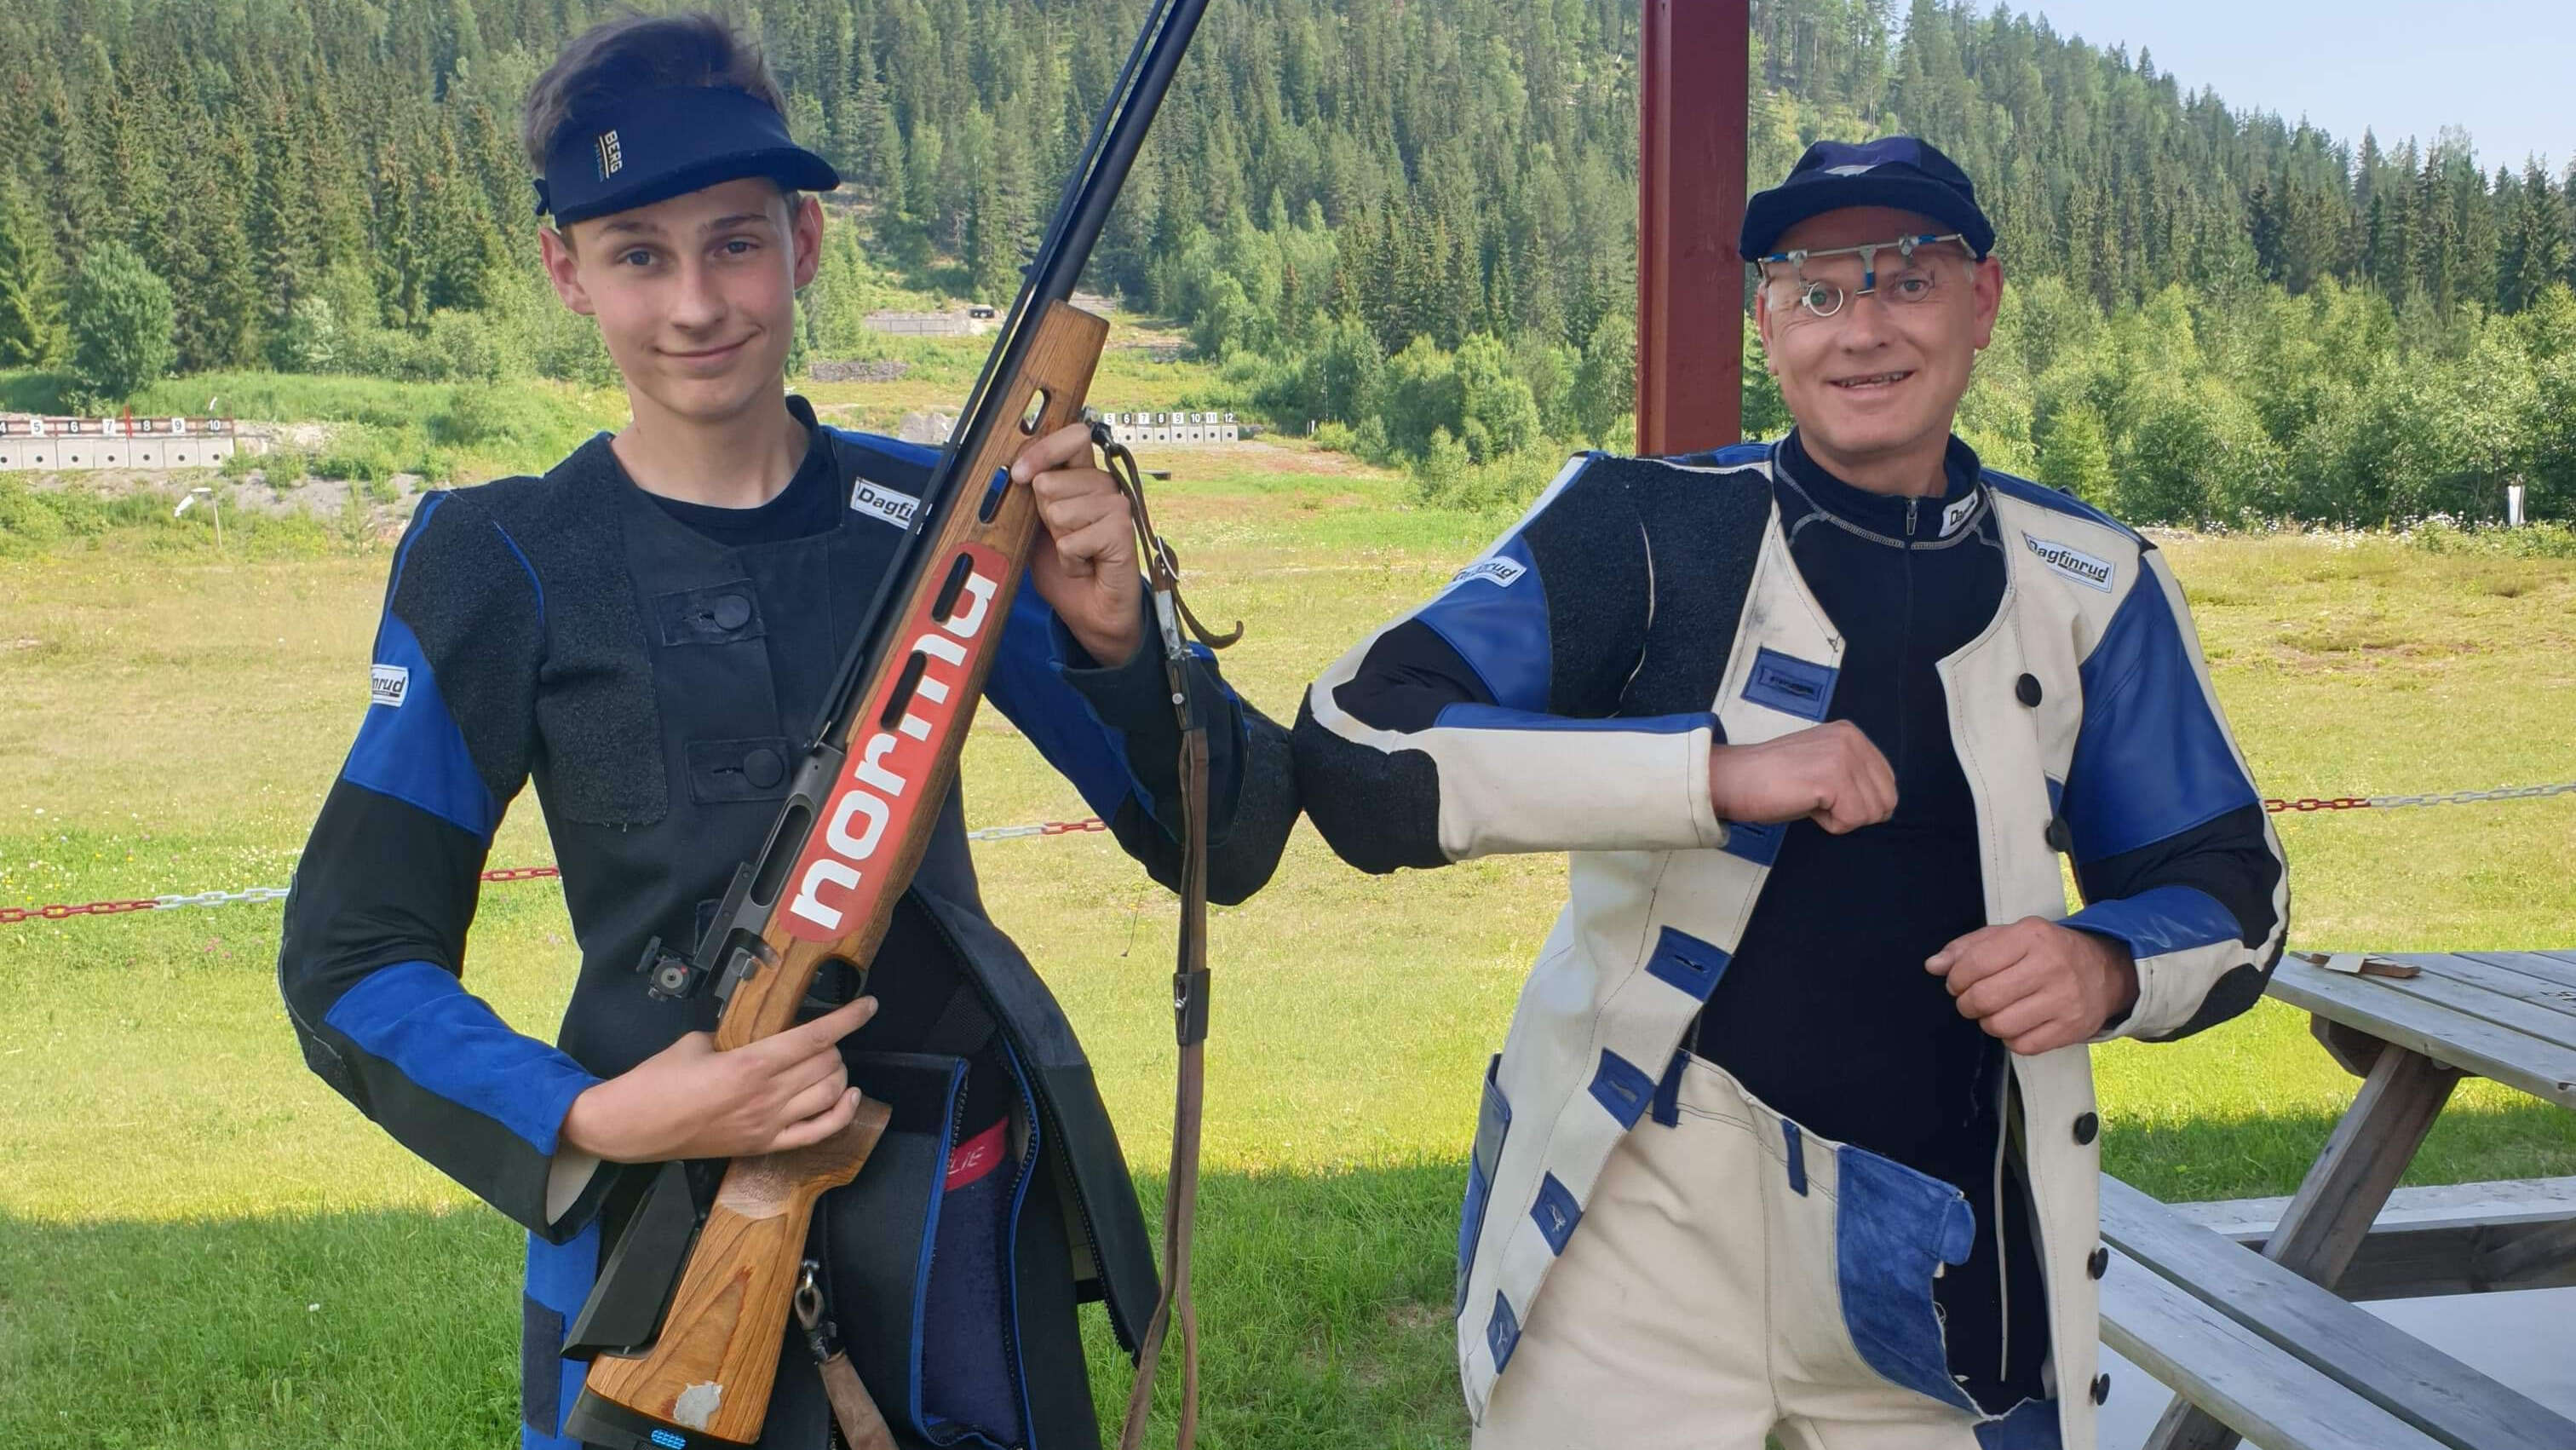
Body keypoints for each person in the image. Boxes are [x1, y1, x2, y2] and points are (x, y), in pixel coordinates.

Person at [274, 14, 1294, 1449]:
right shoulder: (504, 562)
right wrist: (601, 1118)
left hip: (958, 1242)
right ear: (566, 269)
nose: (696, 303)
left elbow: (1224, 841)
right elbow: (350, 962)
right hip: (653, 1244)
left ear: (805, 241)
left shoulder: (953, 526)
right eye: (639, 254)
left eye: (736, 243)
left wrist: (1124, 645)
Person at [1291, 136, 2288, 1450]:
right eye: (1817, 290)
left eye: (1908, 280)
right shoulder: (1645, 525)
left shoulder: (2092, 580)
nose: (1861, 329)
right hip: (1638, 1221)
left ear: (1983, 301)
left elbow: (2231, 886)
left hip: (1941, 1247)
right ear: (1768, 323)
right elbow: (1357, 742)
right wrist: (1711, 773)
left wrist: (2105, 963)